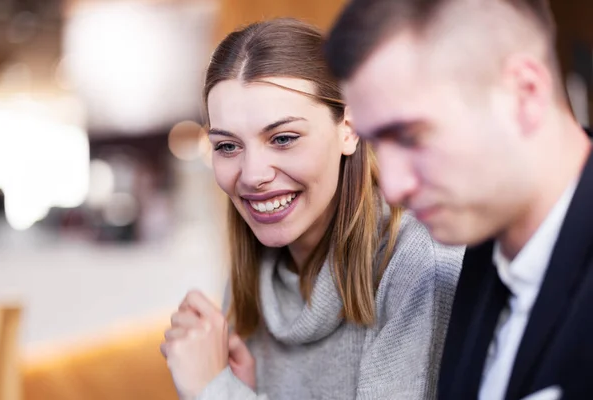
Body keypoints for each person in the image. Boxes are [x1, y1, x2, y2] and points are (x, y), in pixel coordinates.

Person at [159, 18, 464, 400]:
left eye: (283, 138)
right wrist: (245, 388)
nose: (253, 175)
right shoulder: (252, 279)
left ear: (350, 129)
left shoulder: (418, 265)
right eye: (227, 146)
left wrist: (215, 391)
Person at [324, 0, 593, 399]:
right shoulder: (482, 256)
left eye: (411, 137)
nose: (394, 187)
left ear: (525, 94)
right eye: (377, 143)